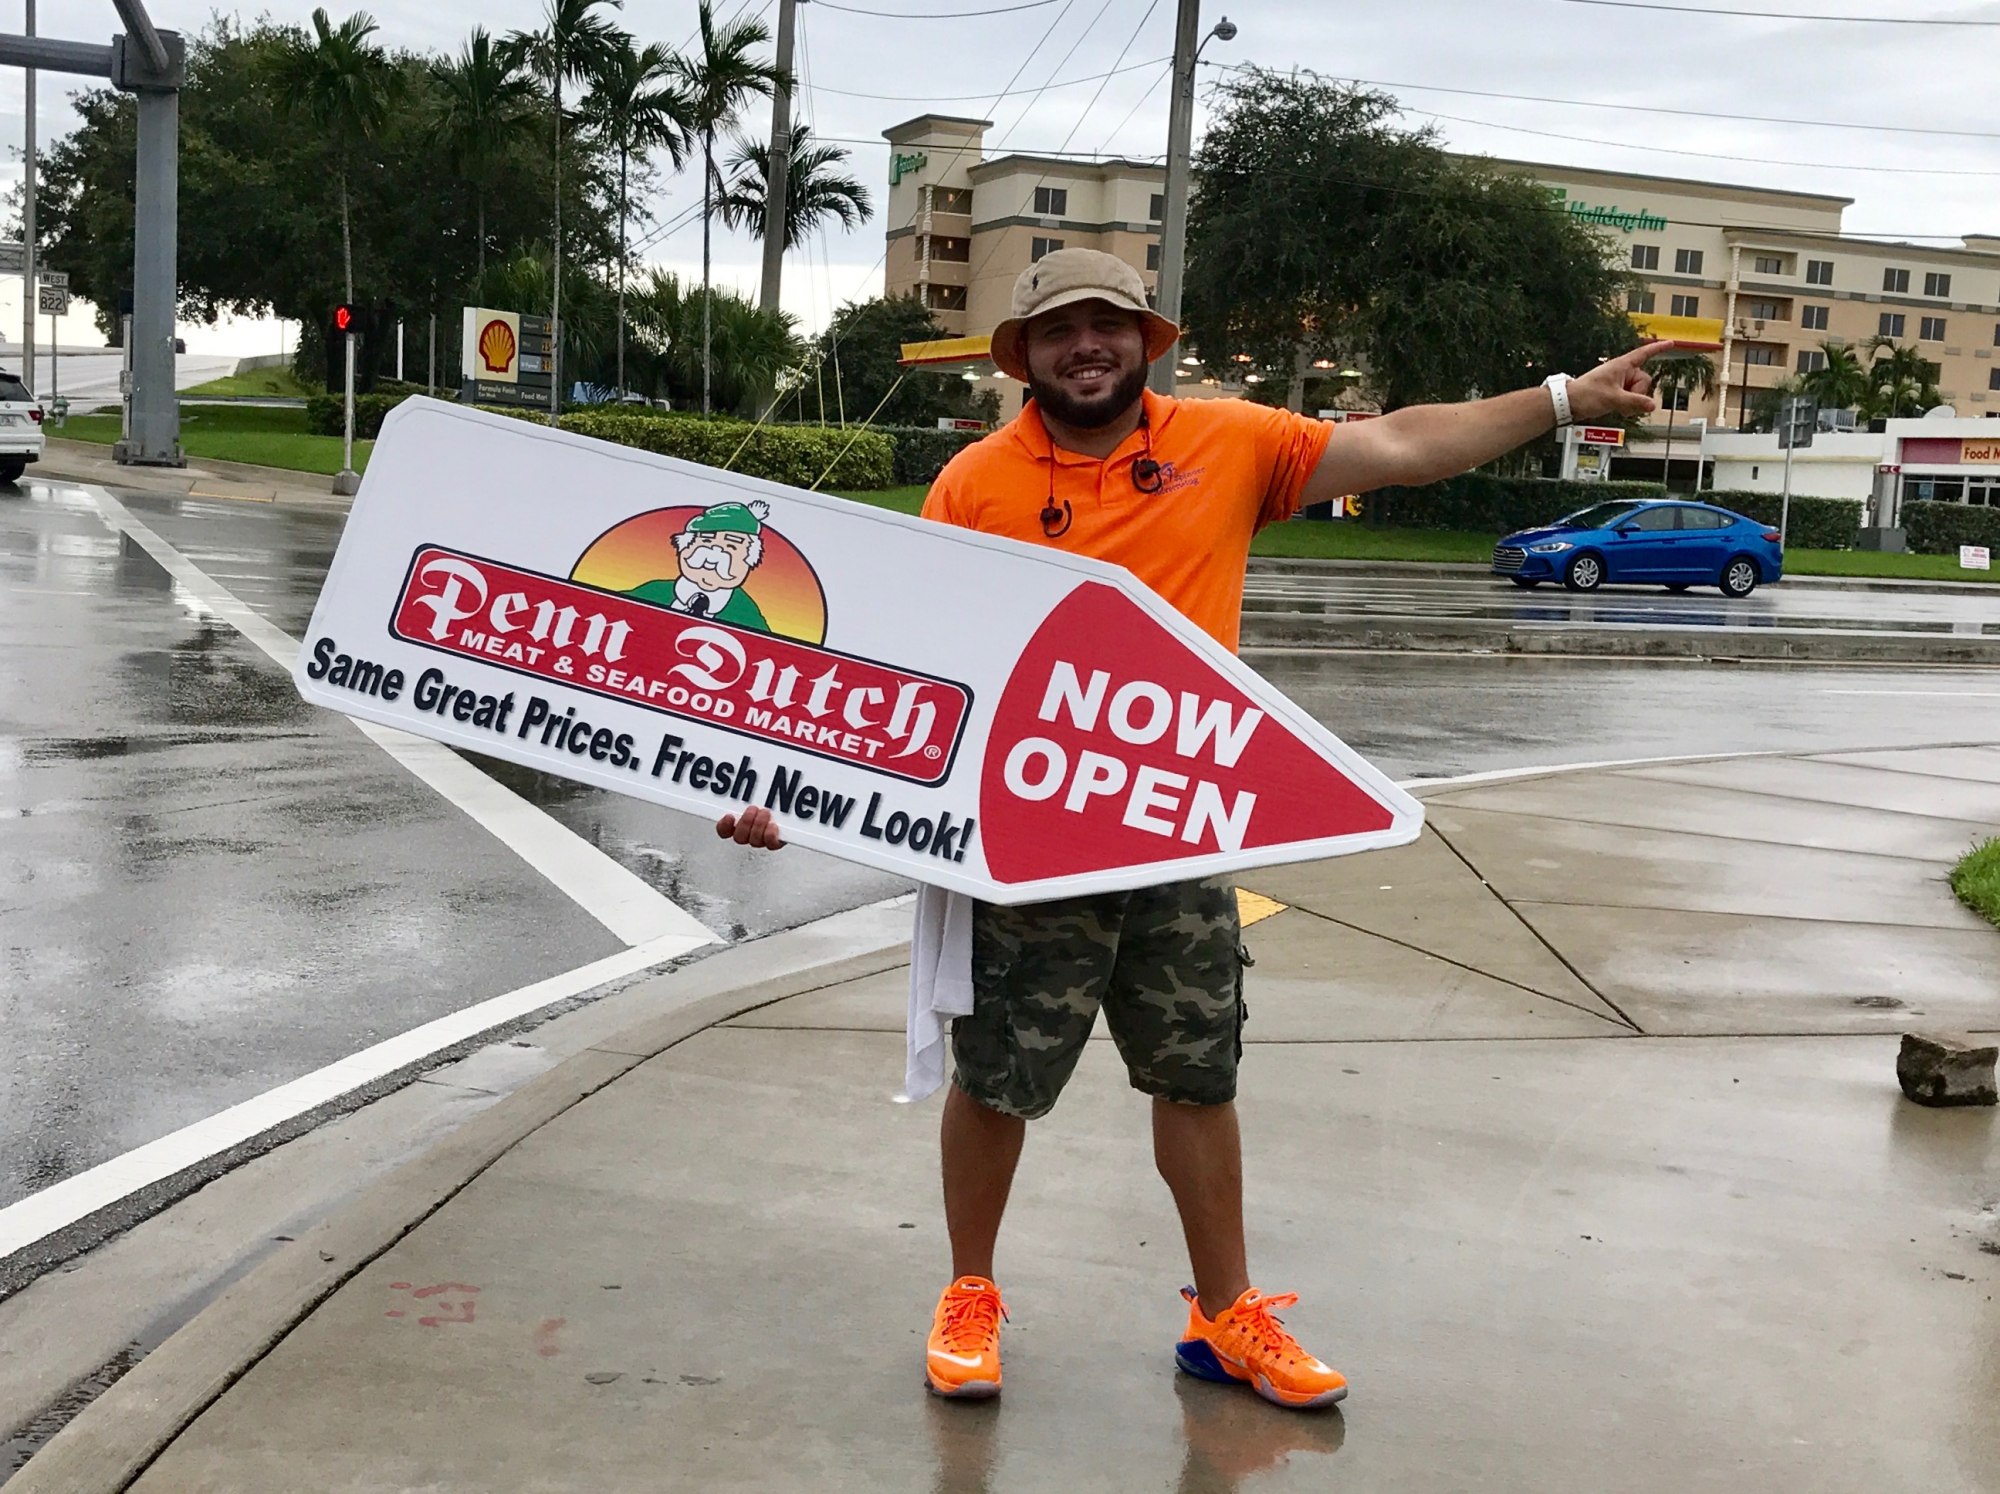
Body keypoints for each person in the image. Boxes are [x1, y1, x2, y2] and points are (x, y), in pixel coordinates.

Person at [717, 247, 1667, 1410]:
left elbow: (1403, 444)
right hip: (1027, 843)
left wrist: (1564, 398)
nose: (1086, 346)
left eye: (1106, 324)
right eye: (1059, 329)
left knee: (1198, 1076)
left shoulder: (1229, 443)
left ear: (1143, 339)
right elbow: (902, 665)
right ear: (1023, 355)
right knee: (997, 1077)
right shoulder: (972, 483)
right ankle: (969, 1293)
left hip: (1178, 833)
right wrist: (783, 784)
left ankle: (1224, 1318)